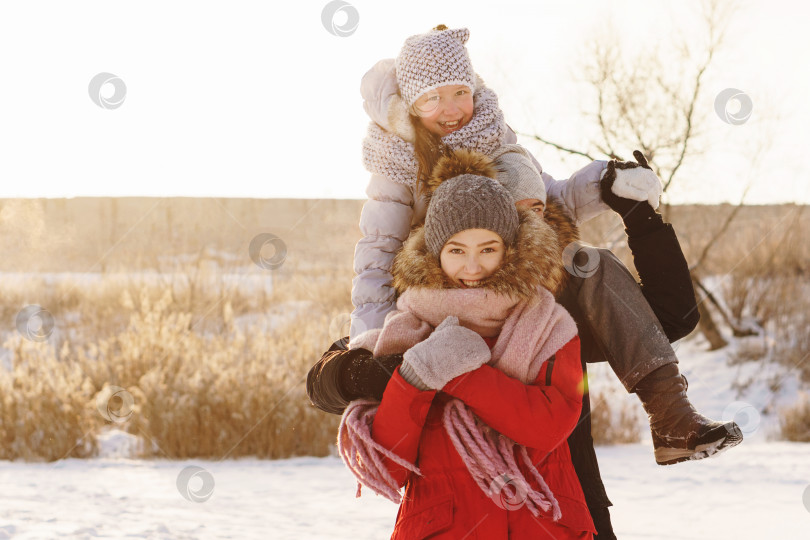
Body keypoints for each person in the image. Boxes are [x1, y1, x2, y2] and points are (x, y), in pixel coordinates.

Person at [339, 151, 595, 539]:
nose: (472, 268)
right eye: (457, 250)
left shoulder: (550, 325)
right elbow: (391, 466)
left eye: (488, 249)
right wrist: (417, 374)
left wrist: (461, 376)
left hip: (543, 527)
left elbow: (550, 427)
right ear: (436, 254)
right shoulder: (409, 329)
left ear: (510, 249)